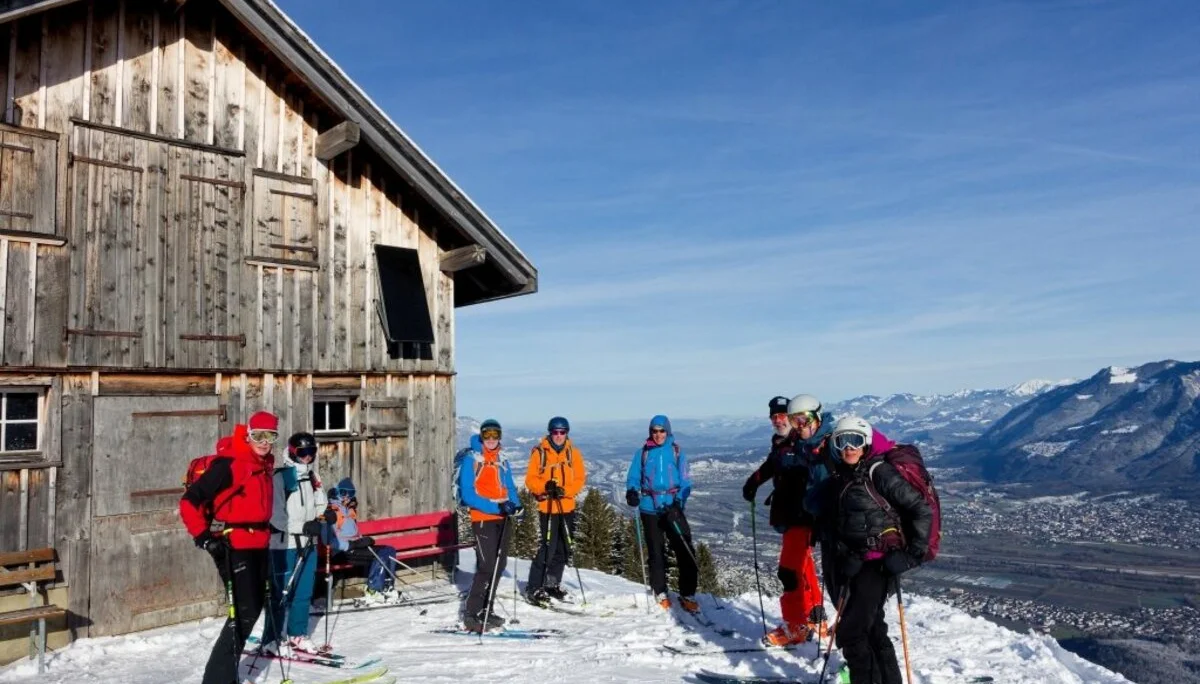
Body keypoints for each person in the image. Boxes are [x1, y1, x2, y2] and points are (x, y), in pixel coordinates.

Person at [820, 416, 933, 684]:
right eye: (842, 441)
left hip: (879, 564)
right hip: (857, 563)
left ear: (866, 444)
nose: (849, 448)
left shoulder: (879, 472)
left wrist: (911, 555)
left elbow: (920, 509)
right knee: (873, 631)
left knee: (852, 634)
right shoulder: (843, 476)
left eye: (855, 441)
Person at [179, 411, 278, 684]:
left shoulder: (264, 464)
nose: (264, 441)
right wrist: (203, 536)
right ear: (247, 435)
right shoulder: (230, 463)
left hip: (260, 544)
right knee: (242, 615)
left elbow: (255, 507)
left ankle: (225, 675)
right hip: (236, 546)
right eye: (258, 435)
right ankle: (217, 680)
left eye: (270, 436)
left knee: (252, 611)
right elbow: (189, 501)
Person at [742, 396, 824, 647]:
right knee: (803, 566)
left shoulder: (802, 442)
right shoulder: (782, 443)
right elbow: (772, 465)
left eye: (783, 416)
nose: (778, 421)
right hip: (790, 514)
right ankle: (814, 617)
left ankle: (795, 625)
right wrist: (755, 481)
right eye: (774, 417)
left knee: (788, 571)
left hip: (802, 515)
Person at [262, 432, 332, 656]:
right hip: (284, 544)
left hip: (309, 543)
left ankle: (297, 634)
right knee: (281, 593)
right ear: (293, 452)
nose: (308, 457)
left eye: (312, 452)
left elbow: (320, 503)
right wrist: (303, 527)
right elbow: (276, 516)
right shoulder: (281, 477)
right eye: (303, 452)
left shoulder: (312, 476)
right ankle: (270, 639)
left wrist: (326, 514)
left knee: (303, 592)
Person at [624, 414, 700, 614]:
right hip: (649, 507)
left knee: (685, 549)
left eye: (661, 431)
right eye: (654, 431)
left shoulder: (676, 452)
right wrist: (632, 491)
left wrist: (678, 503)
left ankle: (688, 593)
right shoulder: (642, 453)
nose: (658, 435)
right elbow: (633, 476)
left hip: (672, 508)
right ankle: (660, 591)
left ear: (668, 431)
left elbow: (685, 481)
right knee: (656, 552)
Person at [457, 418, 522, 632]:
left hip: (503, 519)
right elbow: (468, 494)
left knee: (499, 566)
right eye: (487, 435)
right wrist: (497, 508)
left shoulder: (502, 459)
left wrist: (517, 505)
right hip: (483, 519)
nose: (492, 439)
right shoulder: (472, 460)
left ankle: (487, 608)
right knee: (486, 566)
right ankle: (471, 613)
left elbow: (510, 487)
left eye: (496, 435)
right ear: (482, 436)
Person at [524, 416, 588, 605]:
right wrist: (545, 487)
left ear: (567, 433)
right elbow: (530, 479)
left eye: (562, 432)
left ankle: (552, 583)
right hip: (548, 507)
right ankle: (534, 586)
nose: (559, 436)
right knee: (548, 547)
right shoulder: (540, 452)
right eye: (555, 432)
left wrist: (565, 491)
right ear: (550, 433)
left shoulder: (572, 453)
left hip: (567, 506)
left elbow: (579, 478)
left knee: (562, 548)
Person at [324, 478, 400, 606]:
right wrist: (353, 544)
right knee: (381, 554)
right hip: (341, 552)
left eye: (351, 493)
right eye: (343, 492)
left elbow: (352, 533)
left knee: (389, 550)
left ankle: (387, 586)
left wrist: (364, 541)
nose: (347, 496)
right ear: (337, 492)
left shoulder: (349, 510)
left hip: (355, 548)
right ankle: (373, 589)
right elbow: (329, 540)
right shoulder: (331, 512)